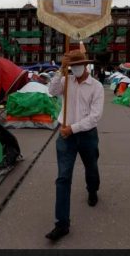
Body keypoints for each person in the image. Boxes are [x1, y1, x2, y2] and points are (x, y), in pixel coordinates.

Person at [45, 49, 105, 241]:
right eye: (71, 66)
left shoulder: (96, 87)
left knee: (91, 168)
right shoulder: (66, 81)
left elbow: (95, 117)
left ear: (85, 65)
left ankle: (92, 190)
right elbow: (51, 91)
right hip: (65, 136)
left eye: (77, 65)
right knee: (63, 178)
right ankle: (61, 224)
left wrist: (74, 128)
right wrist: (59, 70)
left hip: (86, 134)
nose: (75, 69)